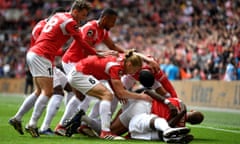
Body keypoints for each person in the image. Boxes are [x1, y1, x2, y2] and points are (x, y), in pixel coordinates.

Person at [10, 0, 95, 138]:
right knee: (50, 91)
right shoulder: (68, 22)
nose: (83, 19)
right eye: (83, 15)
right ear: (75, 11)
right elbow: (81, 41)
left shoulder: (55, 18)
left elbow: (49, 40)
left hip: (37, 55)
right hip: (42, 57)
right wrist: (97, 53)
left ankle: (18, 118)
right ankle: (33, 124)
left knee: (42, 91)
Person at [63, 50, 153, 139]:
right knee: (107, 95)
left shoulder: (123, 60)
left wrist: (118, 93)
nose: (133, 73)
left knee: (107, 95)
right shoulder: (117, 67)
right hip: (79, 74)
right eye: (134, 69)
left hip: (80, 72)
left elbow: (114, 84)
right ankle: (105, 132)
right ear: (129, 64)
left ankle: (83, 124)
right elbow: (121, 93)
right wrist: (141, 96)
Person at [8, 7, 67, 136]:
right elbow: (43, 47)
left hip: (39, 59)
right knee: (54, 91)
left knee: (39, 91)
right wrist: (63, 51)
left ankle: (17, 118)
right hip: (43, 60)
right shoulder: (45, 27)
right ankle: (39, 125)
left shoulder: (41, 24)